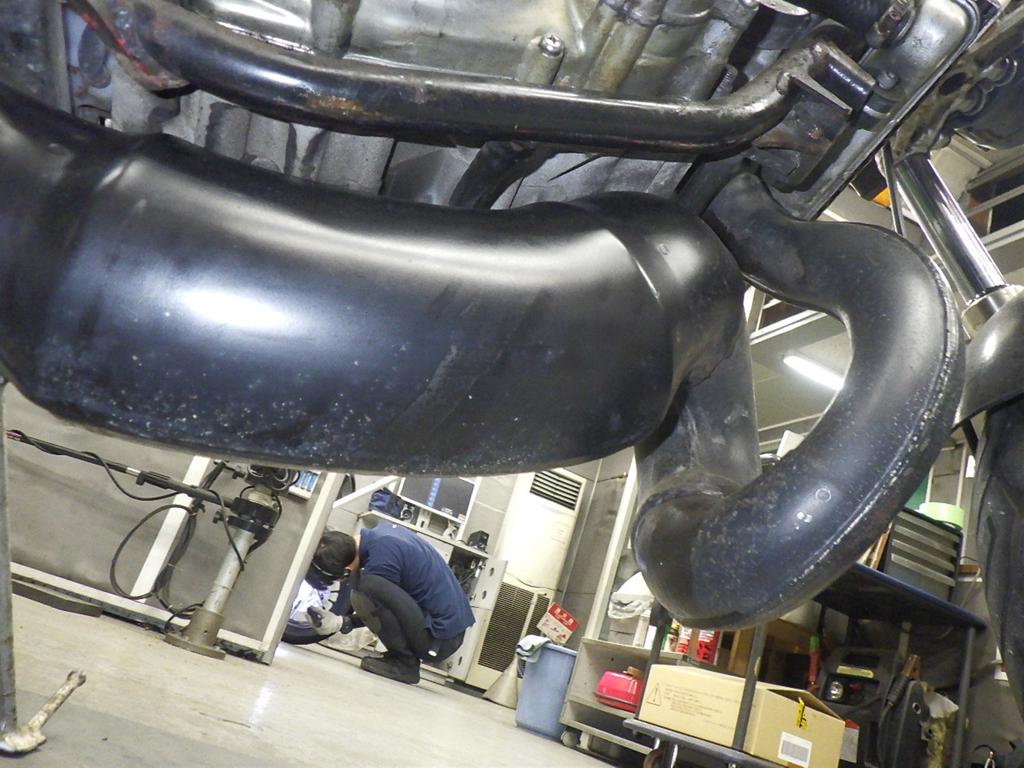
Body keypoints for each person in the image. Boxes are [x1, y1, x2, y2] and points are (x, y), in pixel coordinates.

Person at [306, 525, 475, 684]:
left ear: (347, 569)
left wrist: (343, 622)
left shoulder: (382, 558)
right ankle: (401, 658)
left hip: (440, 638)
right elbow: (396, 602)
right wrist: (345, 622)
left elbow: (390, 604)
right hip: (445, 630)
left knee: (366, 587)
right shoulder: (378, 536)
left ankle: (405, 664)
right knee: (369, 584)